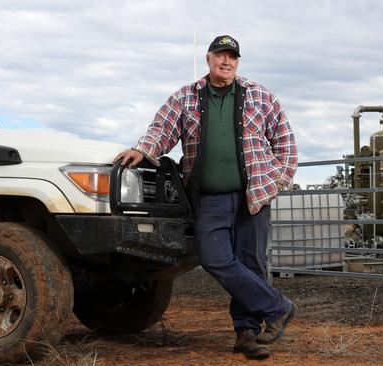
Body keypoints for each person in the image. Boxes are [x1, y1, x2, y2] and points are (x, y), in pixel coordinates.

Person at [115, 35, 298, 360]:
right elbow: (163, 129)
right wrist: (143, 149)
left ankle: (246, 334)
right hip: (210, 198)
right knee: (213, 257)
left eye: (232, 57)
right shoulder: (186, 97)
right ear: (208, 58)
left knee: (250, 263)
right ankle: (277, 306)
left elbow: (284, 138)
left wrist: (278, 179)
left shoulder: (260, 94)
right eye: (220, 55)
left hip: (253, 195)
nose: (226, 62)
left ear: (237, 62)